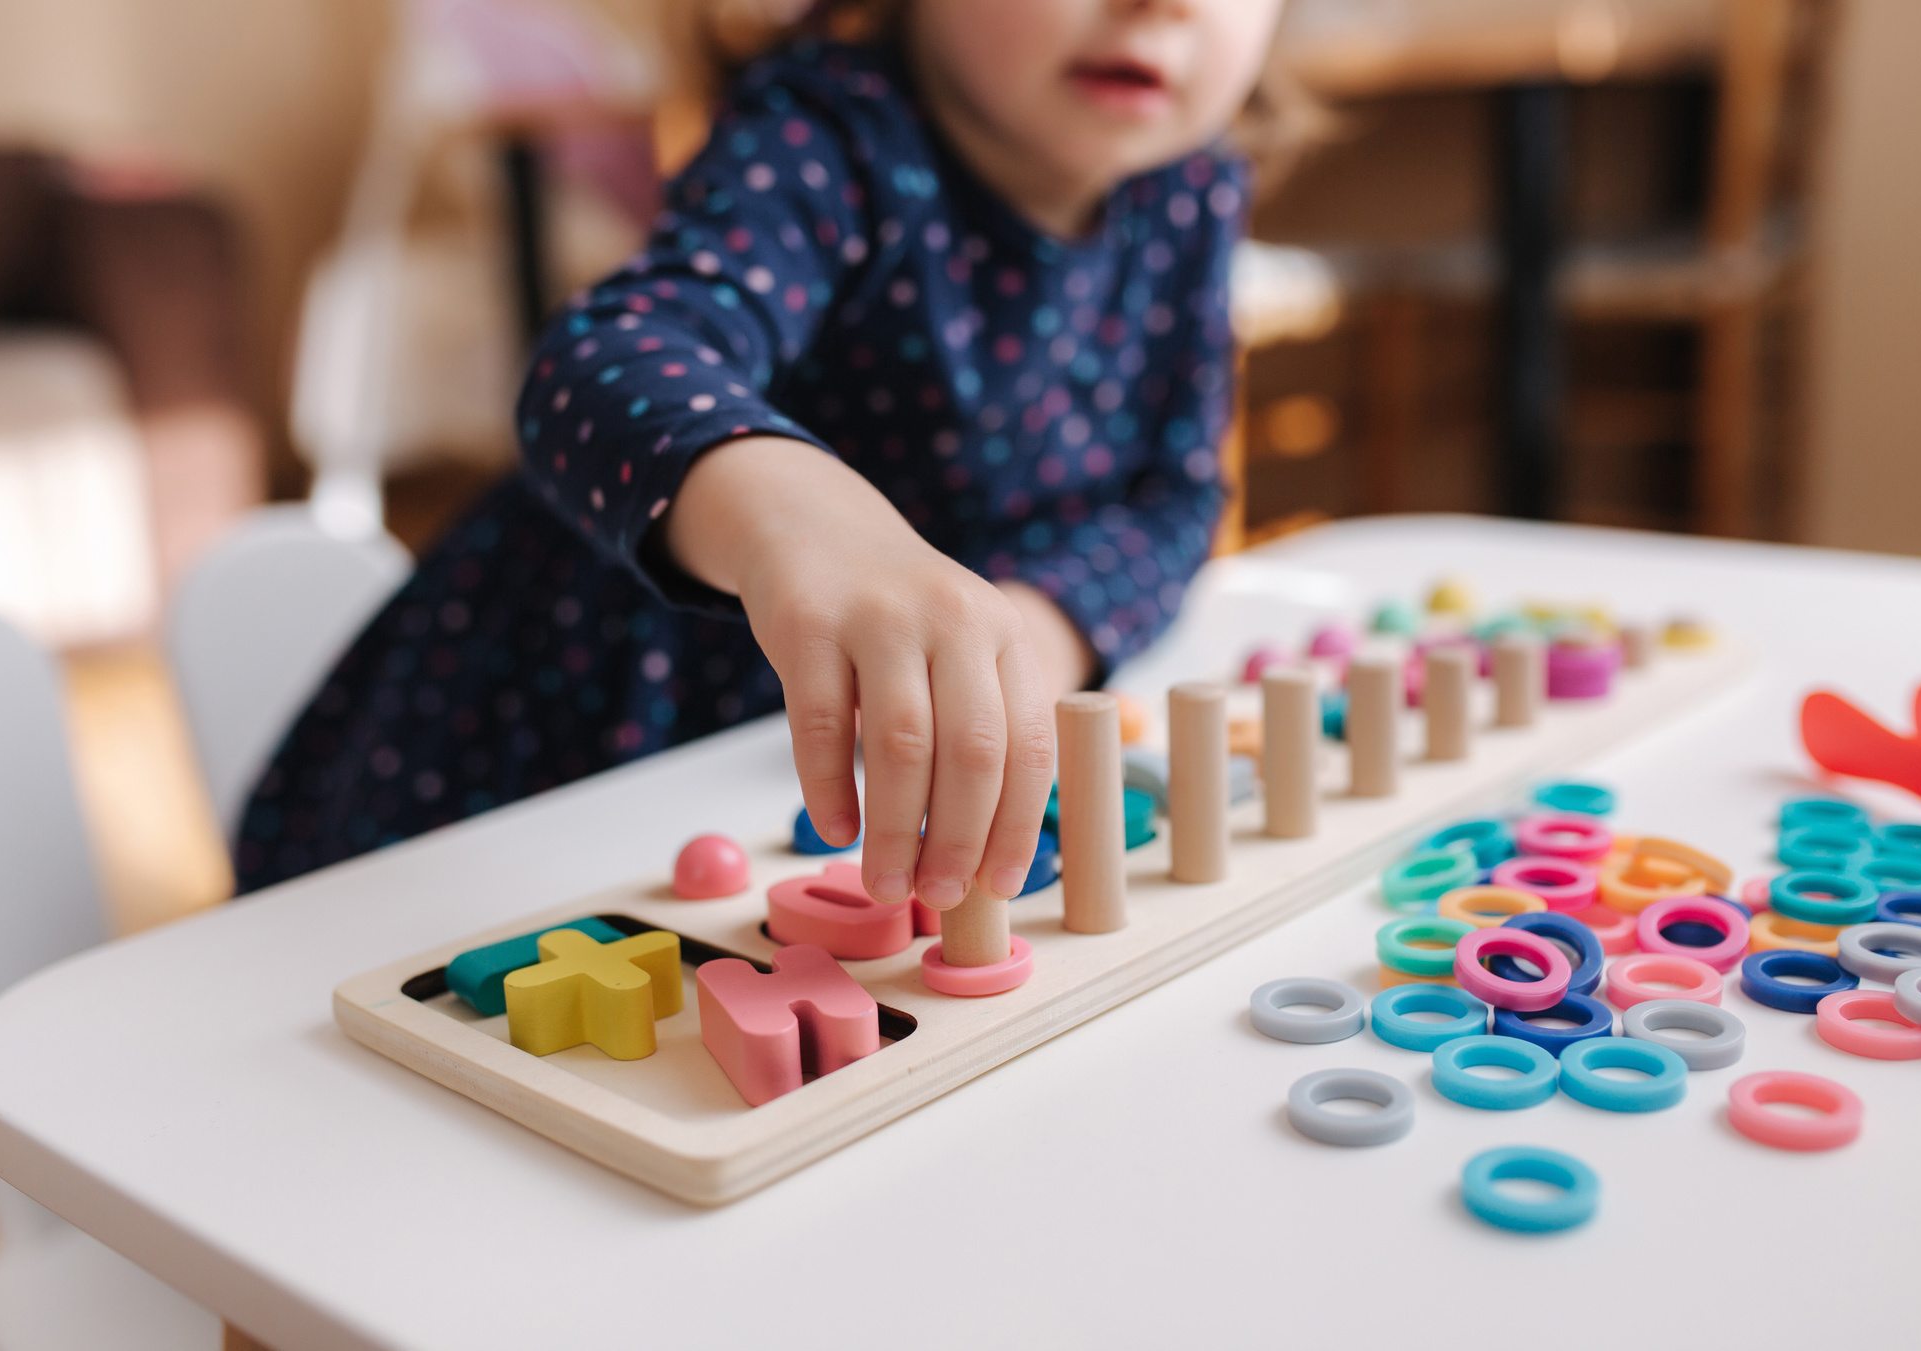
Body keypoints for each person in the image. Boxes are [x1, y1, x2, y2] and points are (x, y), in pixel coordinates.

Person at [234, 0, 1296, 917]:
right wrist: (795, 513)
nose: (1162, 0)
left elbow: (1176, 492)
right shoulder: (824, 130)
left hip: (868, 747)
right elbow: (601, 359)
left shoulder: (1193, 183)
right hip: (602, 715)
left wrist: (1041, 625)